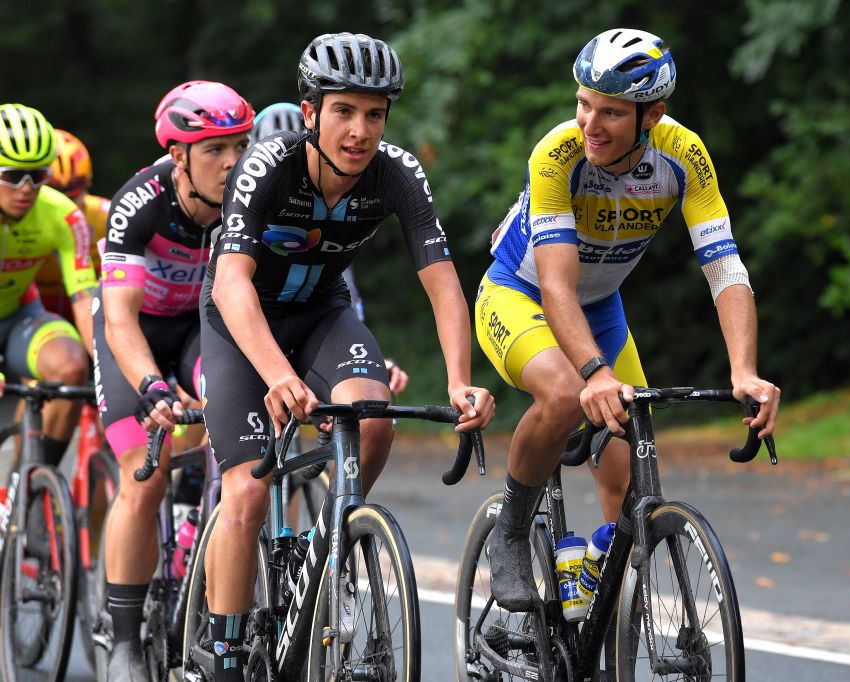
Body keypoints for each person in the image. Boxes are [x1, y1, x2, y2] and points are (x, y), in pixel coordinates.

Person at [200, 32, 494, 680]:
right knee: (248, 492)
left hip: (324, 316)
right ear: (310, 113)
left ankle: (332, 537)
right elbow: (229, 282)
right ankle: (220, 655)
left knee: (374, 416)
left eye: (375, 113)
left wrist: (459, 381)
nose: (359, 130)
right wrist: (276, 375)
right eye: (343, 111)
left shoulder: (397, 173)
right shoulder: (267, 167)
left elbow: (443, 279)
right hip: (240, 324)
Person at [477, 28, 781, 611]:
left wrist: (745, 370)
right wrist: (594, 372)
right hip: (521, 294)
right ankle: (513, 533)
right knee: (567, 395)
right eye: (583, 104)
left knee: (627, 478)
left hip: (600, 310)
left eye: (611, 111)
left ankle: (591, 587)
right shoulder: (557, 154)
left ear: (652, 115)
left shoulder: (683, 156)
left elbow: (725, 268)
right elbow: (558, 286)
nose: (590, 123)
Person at [95, 81, 254, 681]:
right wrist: (152, 388)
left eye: (240, 145)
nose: (233, 162)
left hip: (199, 331)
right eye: (215, 149)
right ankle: (126, 639)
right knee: (146, 471)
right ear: (179, 155)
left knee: (235, 442)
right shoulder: (141, 202)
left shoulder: (250, 201)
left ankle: (220, 596)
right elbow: (118, 320)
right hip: (135, 331)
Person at [250, 102, 408, 394]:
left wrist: (372, 360)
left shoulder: (332, 205)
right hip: (247, 324)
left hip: (313, 323)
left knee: (363, 409)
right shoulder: (241, 194)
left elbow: (346, 297)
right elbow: (217, 293)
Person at [0, 104, 96, 466]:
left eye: (38, 175)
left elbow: (84, 299)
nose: (27, 189)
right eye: (13, 176)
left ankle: (37, 480)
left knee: (72, 367)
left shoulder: (63, 215)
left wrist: (105, 367)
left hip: (19, 314)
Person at [35, 129, 109, 319]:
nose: (63, 206)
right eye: (52, 194)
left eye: (72, 194)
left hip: (91, 311)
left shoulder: (107, 217)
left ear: (88, 184)